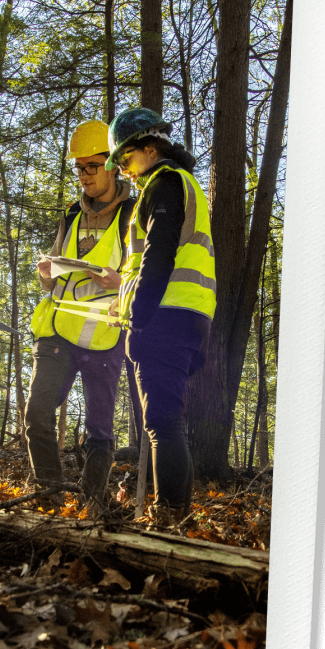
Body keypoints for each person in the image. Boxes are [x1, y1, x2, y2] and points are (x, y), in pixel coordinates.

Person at [105, 107, 216, 527]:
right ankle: (175, 512)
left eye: (126, 160)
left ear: (148, 150)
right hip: (188, 316)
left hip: (164, 317)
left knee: (161, 422)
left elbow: (159, 253)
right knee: (169, 420)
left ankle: (169, 516)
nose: (125, 171)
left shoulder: (164, 183)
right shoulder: (184, 184)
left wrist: (138, 314)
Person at [25, 118, 137, 512]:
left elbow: (150, 275)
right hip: (56, 328)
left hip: (105, 334)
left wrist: (121, 282)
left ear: (113, 165)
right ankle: (49, 497)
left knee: (100, 432)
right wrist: (45, 275)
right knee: (36, 414)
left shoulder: (134, 214)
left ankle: (90, 508)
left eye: (93, 166)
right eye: (79, 167)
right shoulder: (71, 214)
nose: (85, 175)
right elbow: (54, 280)